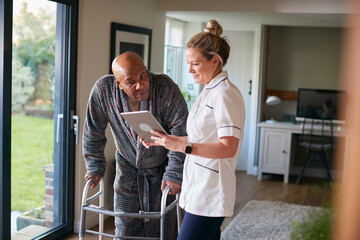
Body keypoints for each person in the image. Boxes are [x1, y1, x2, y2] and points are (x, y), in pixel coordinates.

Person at [141, 20, 245, 240]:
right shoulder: (208, 91)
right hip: (196, 186)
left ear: (215, 61)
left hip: (211, 191)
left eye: (195, 64)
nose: (189, 69)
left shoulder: (225, 94)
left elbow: (229, 147)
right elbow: (202, 138)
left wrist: (181, 145)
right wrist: (165, 140)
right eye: (188, 63)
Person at [82, 52, 188, 239]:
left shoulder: (165, 88)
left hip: (163, 170)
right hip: (127, 168)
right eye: (131, 81)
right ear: (118, 84)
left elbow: (181, 132)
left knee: (163, 227)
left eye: (143, 76)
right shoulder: (103, 91)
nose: (140, 85)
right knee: (124, 226)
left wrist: (174, 174)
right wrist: (95, 167)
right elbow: (93, 131)